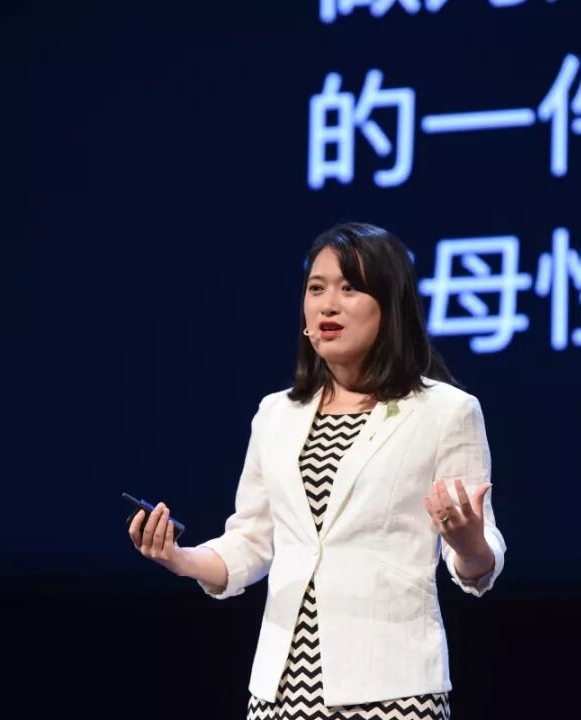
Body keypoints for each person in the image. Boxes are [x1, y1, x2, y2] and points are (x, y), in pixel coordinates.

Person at [128, 222, 506, 719]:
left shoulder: (445, 411)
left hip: (391, 689)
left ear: (389, 306)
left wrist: (469, 544)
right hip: (282, 690)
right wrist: (180, 558)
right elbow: (251, 540)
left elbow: (479, 559)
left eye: (349, 289)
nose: (328, 305)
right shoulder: (276, 414)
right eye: (316, 288)